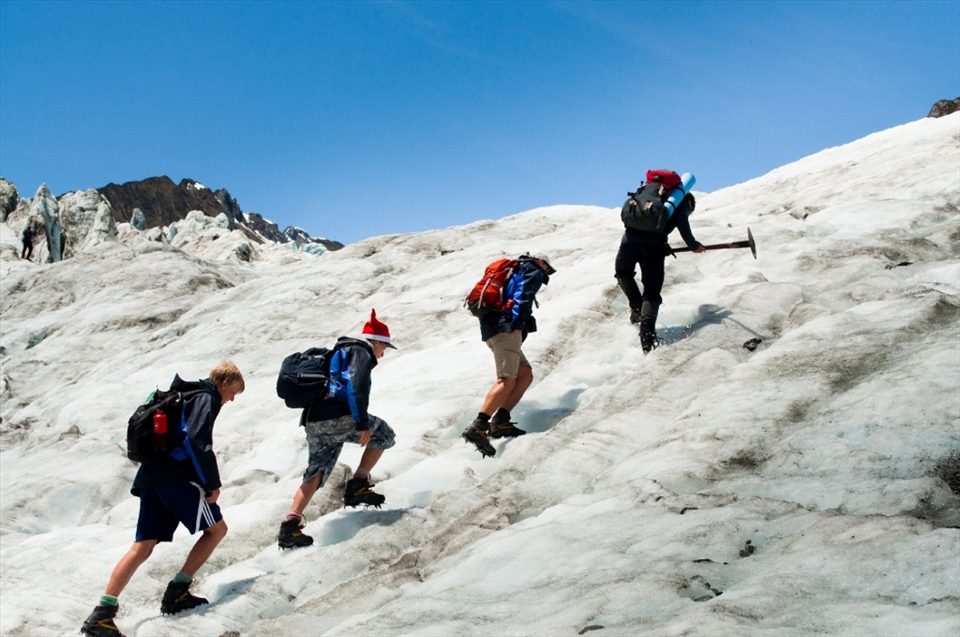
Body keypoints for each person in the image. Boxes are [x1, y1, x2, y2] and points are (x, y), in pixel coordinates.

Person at [81, 362, 245, 637]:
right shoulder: (206, 398)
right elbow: (197, 441)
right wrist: (212, 484)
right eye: (233, 392)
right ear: (224, 383)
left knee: (142, 547)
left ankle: (102, 613)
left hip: (151, 476)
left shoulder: (184, 394)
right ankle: (177, 592)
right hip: (176, 479)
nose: (232, 399)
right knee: (217, 530)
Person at [277, 309, 398, 550]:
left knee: (316, 471)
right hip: (338, 415)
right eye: (384, 347)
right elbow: (356, 386)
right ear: (375, 342)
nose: (382, 353)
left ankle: (289, 526)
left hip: (314, 420)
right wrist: (362, 424)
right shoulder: (360, 351)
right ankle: (358, 485)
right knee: (384, 434)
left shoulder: (339, 351)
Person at [462, 253, 556, 458]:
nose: (546, 273)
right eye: (547, 268)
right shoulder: (532, 271)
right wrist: (518, 324)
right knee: (506, 380)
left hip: (493, 329)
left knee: (524, 374)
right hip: (507, 329)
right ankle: (479, 426)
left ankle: (501, 421)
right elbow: (523, 297)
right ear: (541, 262)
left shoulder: (513, 270)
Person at [615, 170, 705, 353]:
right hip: (653, 247)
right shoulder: (682, 201)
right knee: (652, 291)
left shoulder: (646, 193)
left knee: (623, 273)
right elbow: (681, 221)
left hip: (629, 241)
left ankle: (636, 307)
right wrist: (693, 245)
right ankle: (647, 339)